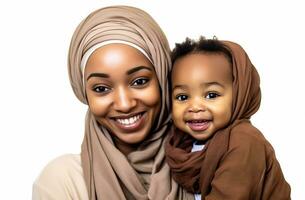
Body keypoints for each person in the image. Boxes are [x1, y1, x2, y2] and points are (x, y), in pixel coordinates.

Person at [32, 6, 194, 200]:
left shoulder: (206, 161)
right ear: (84, 94)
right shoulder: (64, 180)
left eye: (139, 81)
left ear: (162, 79)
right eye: (101, 89)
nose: (125, 104)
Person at [165, 37, 291, 199]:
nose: (195, 107)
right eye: (182, 97)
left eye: (211, 95)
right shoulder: (181, 145)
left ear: (239, 94)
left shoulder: (244, 141)